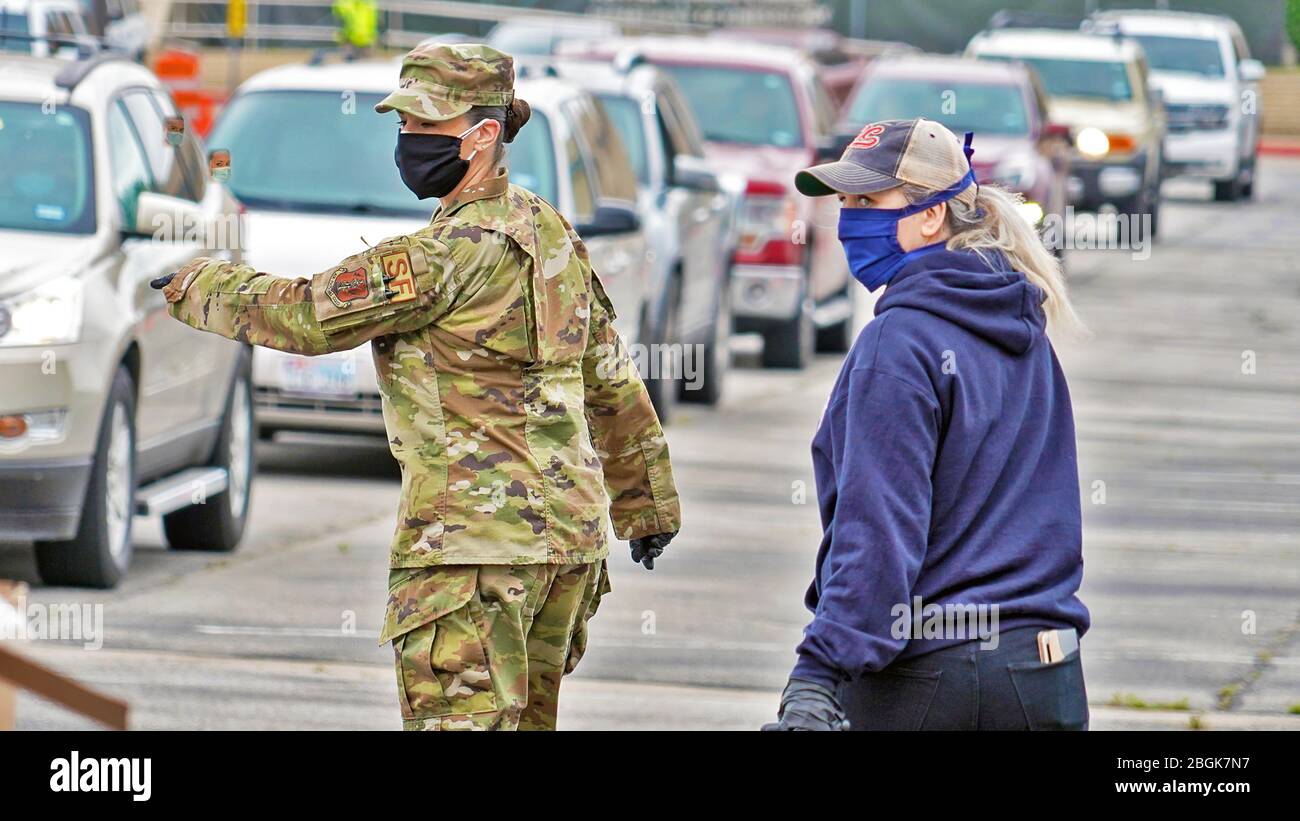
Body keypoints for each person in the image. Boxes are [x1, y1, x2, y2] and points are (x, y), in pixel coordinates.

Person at [154, 43, 681, 731]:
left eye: (425, 129)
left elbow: (309, 315)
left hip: (472, 558)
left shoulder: (440, 258)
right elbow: (609, 377)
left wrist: (196, 283)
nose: (407, 144)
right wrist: (645, 505)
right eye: (402, 126)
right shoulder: (550, 232)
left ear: (484, 134)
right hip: (565, 551)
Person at [764, 118, 1090, 731]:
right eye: (846, 202)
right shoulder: (1022, 328)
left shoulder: (899, 343)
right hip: (1047, 673)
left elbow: (880, 527)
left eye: (869, 201)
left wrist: (819, 671)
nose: (850, 219)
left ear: (932, 216)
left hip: (933, 681)